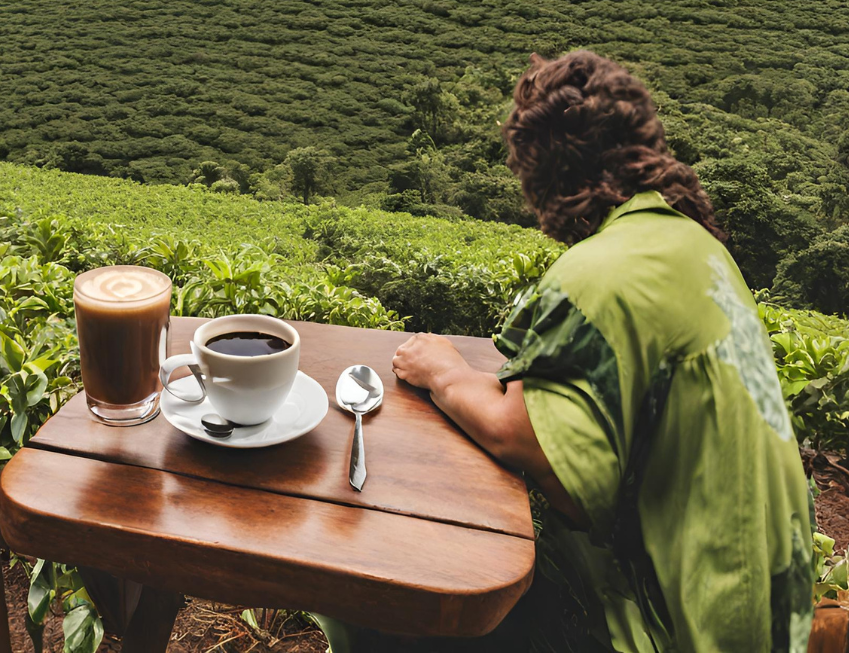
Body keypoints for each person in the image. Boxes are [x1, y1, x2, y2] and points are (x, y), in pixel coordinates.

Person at [317, 51, 813, 653]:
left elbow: (535, 450)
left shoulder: (599, 273)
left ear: (545, 173)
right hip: (765, 614)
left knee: (383, 587)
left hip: (673, 625)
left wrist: (445, 374)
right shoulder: (693, 244)